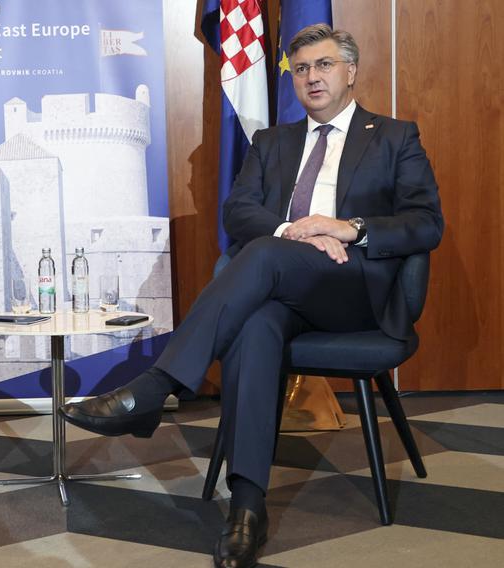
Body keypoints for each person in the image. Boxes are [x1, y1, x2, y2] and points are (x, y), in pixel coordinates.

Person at [60, 24, 442, 568]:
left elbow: (426, 224)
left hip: (353, 289)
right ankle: (247, 508)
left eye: (325, 65)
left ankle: (157, 385)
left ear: (350, 72)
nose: (312, 77)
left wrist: (346, 228)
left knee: (257, 255)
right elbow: (237, 212)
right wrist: (296, 232)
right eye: (303, 68)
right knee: (258, 320)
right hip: (281, 283)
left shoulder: (395, 137)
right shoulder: (272, 142)